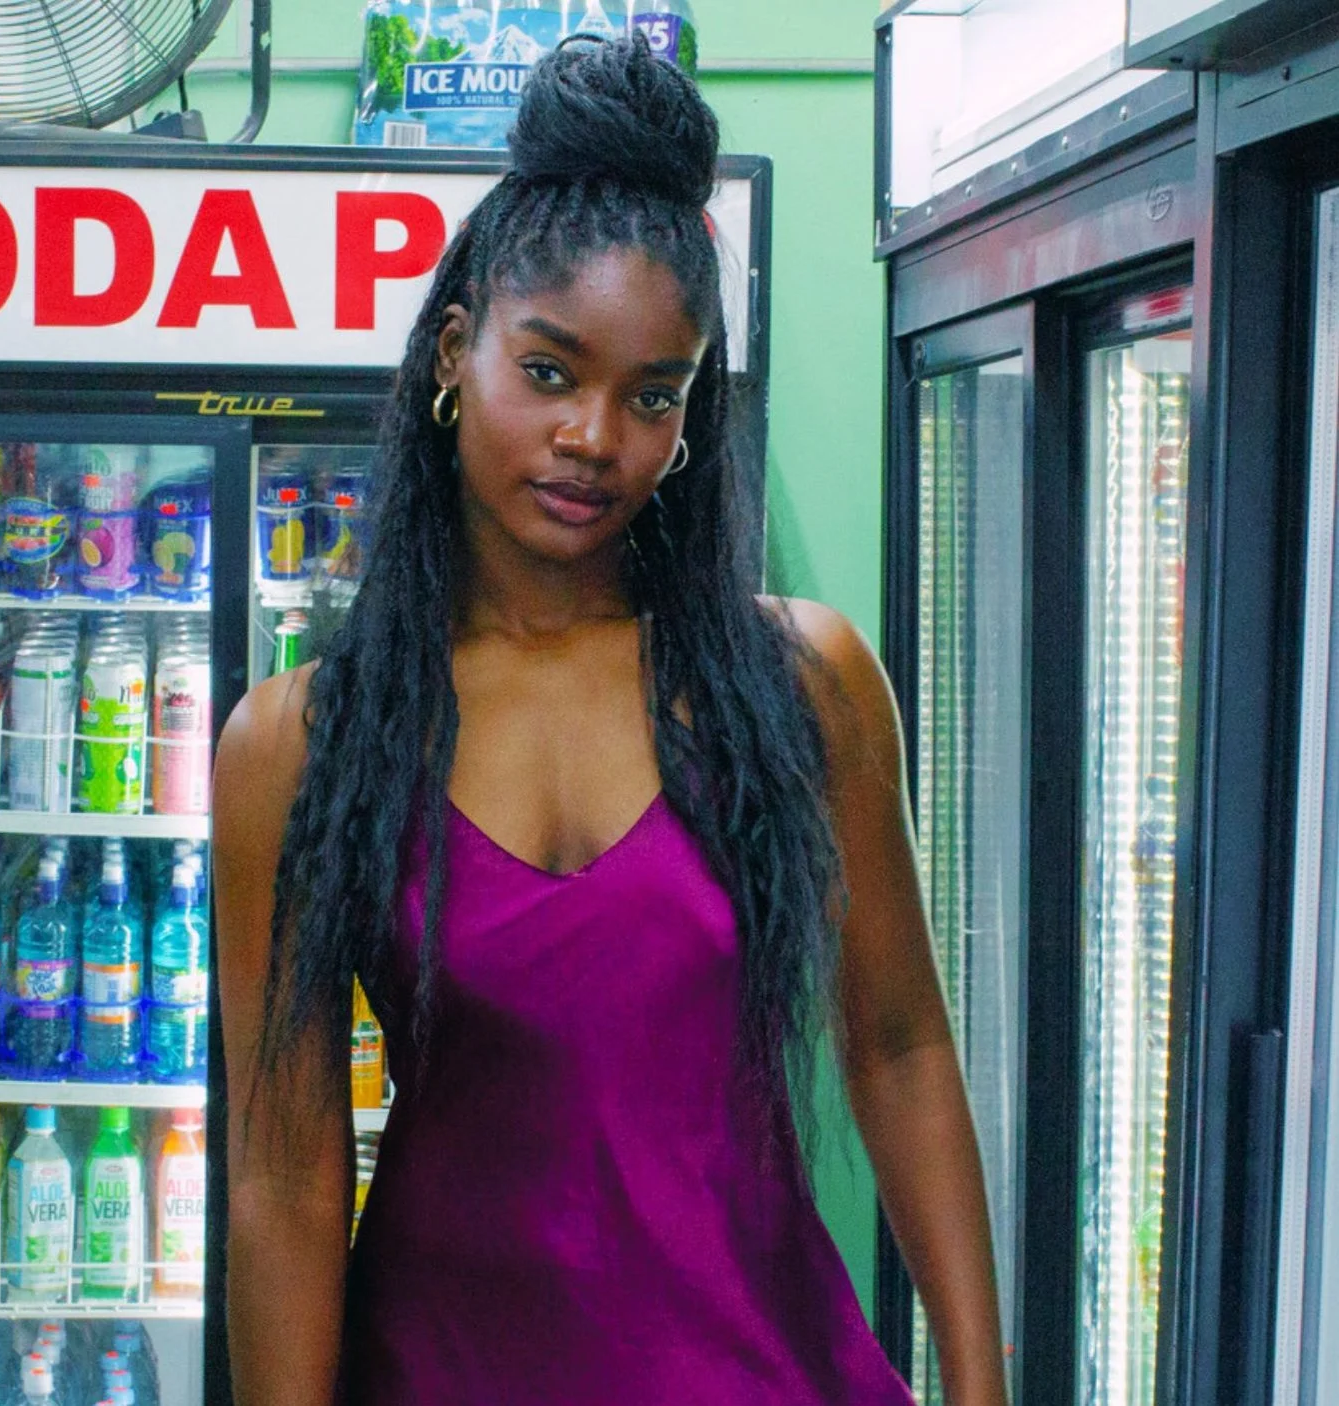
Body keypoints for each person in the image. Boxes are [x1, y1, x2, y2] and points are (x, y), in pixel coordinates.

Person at [214, 35, 1006, 1406]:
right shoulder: (300, 743)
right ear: (458, 355)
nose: (597, 435)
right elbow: (285, 1175)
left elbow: (901, 1046)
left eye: (654, 394)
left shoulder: (801, 684)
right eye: (554, 369)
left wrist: (984, 1389)